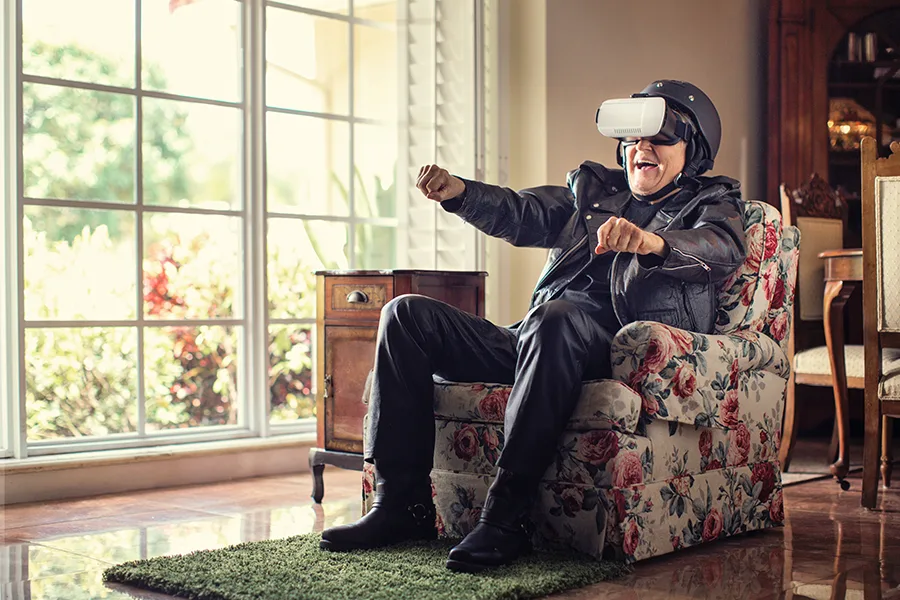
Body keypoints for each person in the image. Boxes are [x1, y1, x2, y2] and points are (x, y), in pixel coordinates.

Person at [319, 80, 746, 572]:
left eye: (659, 137)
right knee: (405, 314)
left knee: (558, 316)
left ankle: (505, 519)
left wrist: (650, 243)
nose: (640, 149)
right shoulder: (594, 191)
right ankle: (402, 508)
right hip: (536, 340)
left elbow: (720, 245)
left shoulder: (712, 200)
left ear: (692, 151)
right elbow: (525, 212)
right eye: (632, 139)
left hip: (606, 348)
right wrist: (460, 193)